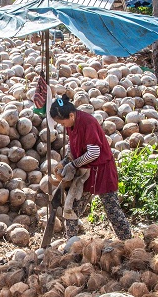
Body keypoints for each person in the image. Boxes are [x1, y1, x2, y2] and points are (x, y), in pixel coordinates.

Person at [49, 95, 132, 240]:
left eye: (62, 122)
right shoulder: (71, 123)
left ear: (71, 115)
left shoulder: (88, 123)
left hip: (102, 170)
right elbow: (72, 145)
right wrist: (66, 160)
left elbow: (94, 153)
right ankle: (71, 243)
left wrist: (73, 164)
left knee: (112, 209)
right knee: (72, 208)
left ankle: (128, 242)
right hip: (84, 172)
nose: (62, 125)